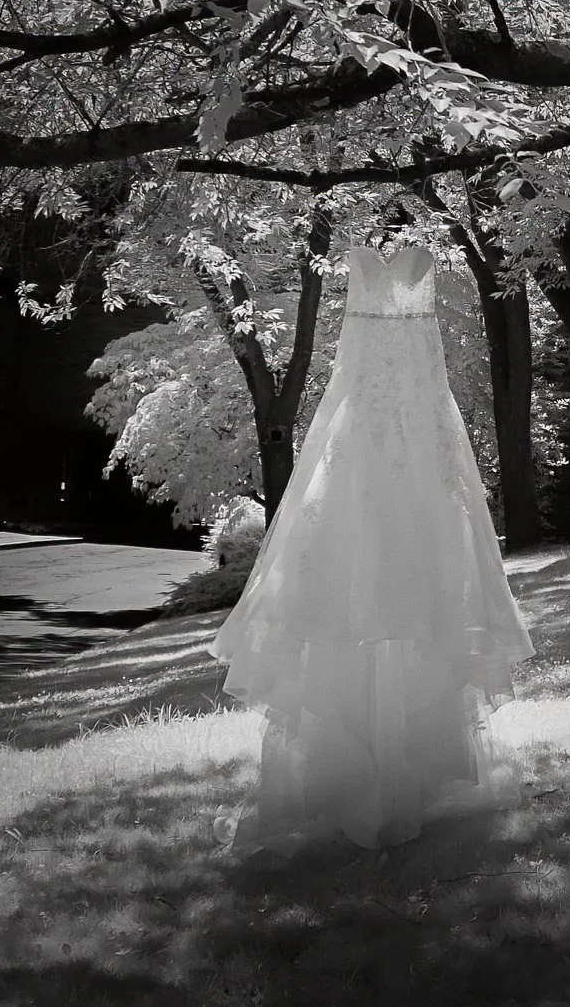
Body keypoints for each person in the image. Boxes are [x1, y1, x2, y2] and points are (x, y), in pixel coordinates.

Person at [208, 243, 534, 857]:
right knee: (351, 588)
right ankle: (351, 777)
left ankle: (414, 773)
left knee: (420, 593)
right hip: (359, 444)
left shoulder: (425, 265)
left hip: (421, 445)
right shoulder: (355, 265)